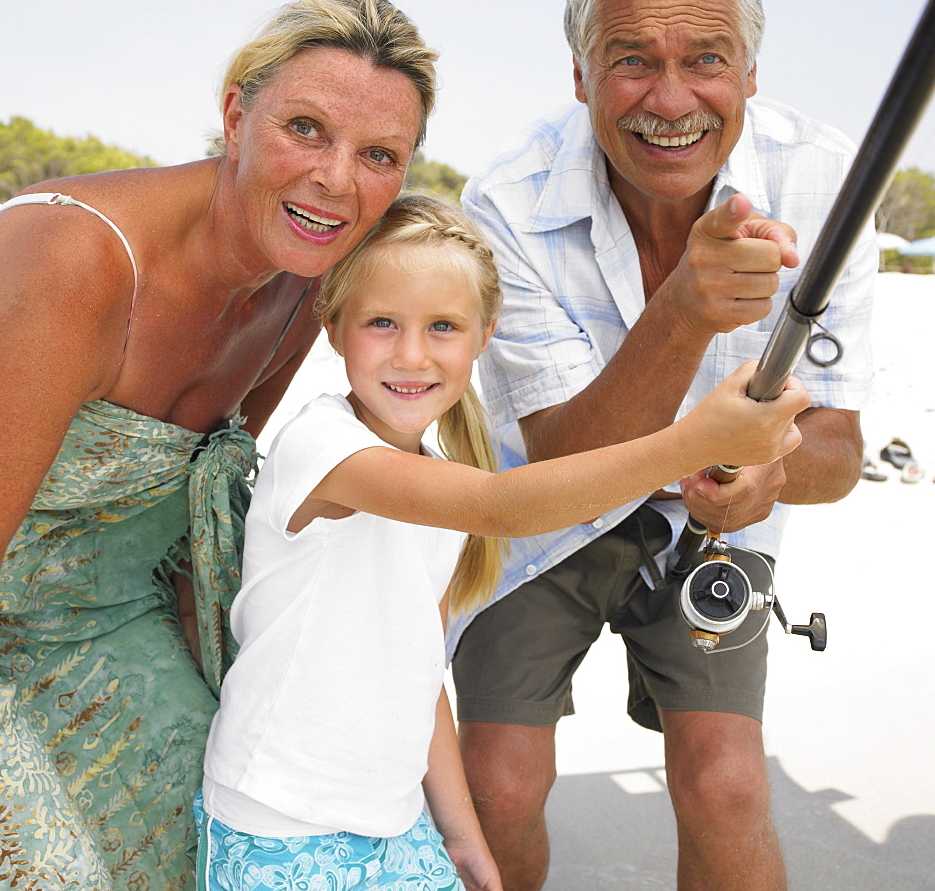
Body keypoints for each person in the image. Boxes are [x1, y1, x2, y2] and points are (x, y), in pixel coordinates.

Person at [0, 0, 440, 891]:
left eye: (378, 155)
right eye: (306, 129)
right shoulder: (80, 266)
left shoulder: (302, 291)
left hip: (99, 621)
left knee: (219, 846)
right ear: (235, 112)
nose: (336, 179)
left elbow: (192, 517)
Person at [195, 192, 809, 891]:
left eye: (444, 326)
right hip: (277, 821)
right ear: (333, 328)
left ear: (486, 335)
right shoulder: (323, 447)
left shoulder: (437, 479)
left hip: (392, 824)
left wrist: (460, 834)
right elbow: (504, 506)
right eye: (382, 322)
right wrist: (695, 443)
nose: (411, 354)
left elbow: (419, 673)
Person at [450, 0, 876, 891]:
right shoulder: (504, 202)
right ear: (580, 74)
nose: (671, 97)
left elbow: (840, 447)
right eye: (632, 58)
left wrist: (769, 472)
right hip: (540, 511)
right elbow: (559, 459)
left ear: (752, 74)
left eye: (708, 59)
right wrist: (683, 309)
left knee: (725, 780)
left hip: (719, 522)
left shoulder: (827, 180)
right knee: (496, 782)